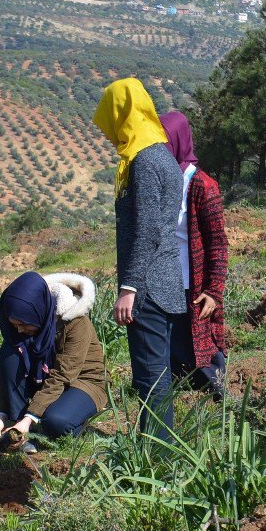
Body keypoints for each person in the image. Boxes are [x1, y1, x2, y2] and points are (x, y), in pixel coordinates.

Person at [92, 78, 185, 440]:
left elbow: (147, 229)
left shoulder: (144, 160)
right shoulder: (162, 154)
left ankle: (156, 460)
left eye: (109, 123)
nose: (107, 134)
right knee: (157, 375)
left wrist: (129, 286)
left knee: (150, 378)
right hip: (164, 280)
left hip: (148, 287)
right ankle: (161, 451)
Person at [0, 272, 108, 452]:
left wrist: (30, 417)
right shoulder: (21, 327)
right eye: (15, 324)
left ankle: (68, 416)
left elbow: (64, 374)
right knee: (9, 355)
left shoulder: (74, 321)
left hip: (82, 380)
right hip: (45, 376)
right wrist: (0, 416)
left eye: (24, 324)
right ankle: (20, 428)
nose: (20, 329)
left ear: (37, 312)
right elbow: (4, 373)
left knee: (56, 423)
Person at [161, 111, 228, 400]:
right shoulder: (163, 180)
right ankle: (184, 391)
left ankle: (218, 391)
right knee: (176, 340)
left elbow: (218, 243)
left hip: (195, 280)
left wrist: (213, 291)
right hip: (167, 278)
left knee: (201, 339)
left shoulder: (202, 185)